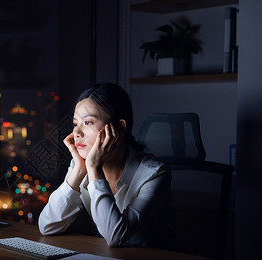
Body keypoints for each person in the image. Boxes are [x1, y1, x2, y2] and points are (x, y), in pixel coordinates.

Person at [38, 83, 178, 250]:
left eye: (88, 122)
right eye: (76, 123)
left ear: (119, 128)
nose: (77, 133)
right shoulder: (83, 165)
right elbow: (47, 226)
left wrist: (94, 169)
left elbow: (115, 236)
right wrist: (78, 171)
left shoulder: (154, 174)